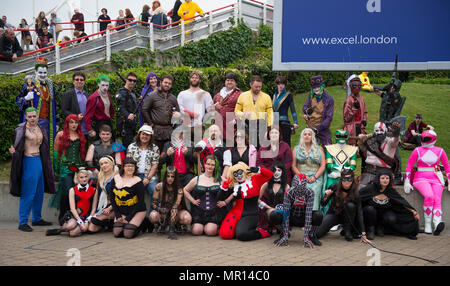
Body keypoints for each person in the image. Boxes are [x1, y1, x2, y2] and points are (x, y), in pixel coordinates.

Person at [10, 107, 55, 232]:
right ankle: (22, 222)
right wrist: (14, 151)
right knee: (28, 193)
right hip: (28, 161)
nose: (32, 118)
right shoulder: (21, 129)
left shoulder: (41, 128)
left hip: (39, 161)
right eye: (29, 116)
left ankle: (36, 218)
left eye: (34, 116)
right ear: (26, 117)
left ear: (37, 116)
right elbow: (16, 145)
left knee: (39, 192)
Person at [404, 130, 450, 235]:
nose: (424, 141)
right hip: (420, 178)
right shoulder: (417, 150)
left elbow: (447, 167)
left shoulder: (440, 151)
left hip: (437, 179)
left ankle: (437, 222)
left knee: (437, 199)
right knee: (429, 196)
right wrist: (407, 181)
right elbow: (409, 166)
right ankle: (428, 224)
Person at [16, 58, 58, 165]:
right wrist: (25, 98)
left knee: (46, 146)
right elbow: (18, 101)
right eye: (40, 72)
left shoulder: (50, 86)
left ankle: (47, 169)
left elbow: (54, 106)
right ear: (35, 72)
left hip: (48, 123)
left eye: (45, 72)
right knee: (34, 146)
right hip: (34, 122)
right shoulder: (29, 86)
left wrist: (56, 121)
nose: (43, 75)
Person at [359, 169, 419, 240]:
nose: (385, 180)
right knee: (370, 209)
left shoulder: (390, 190)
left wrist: (414, 211)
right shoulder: (370, 188)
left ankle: (380, 227)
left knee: (391, 218)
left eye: (387, 178)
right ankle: (370, 230)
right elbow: (357, 197)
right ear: (378, 179)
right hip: (370, 214)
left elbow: (401, 201)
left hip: (383, 214)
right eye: (383, 178)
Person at [219, 164, 273, 241]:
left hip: (250, 214)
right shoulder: (234, 184)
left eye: (240, 172)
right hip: (235, 213)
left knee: (242, 235)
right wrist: (223, 188)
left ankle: (261, 232)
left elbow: (270, 175)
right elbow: (220, 198)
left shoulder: (254, 179)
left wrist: (259, 170)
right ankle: (237, 229)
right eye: (235, 174)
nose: (239, 175)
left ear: (244, 171)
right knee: (225, 234)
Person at [49, 114, 87, 225]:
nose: (74, 125)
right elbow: (55, 153)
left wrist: (82, 168)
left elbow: (82, 153)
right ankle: (62, 216)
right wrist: (56, 169)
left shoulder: (81, 135)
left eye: (76, 122)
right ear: (67, 123)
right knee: (66, 192)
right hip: (65, 168)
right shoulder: (60, 135)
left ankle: (73, 216)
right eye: (71, 122)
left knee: (77, 193)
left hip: (78, 168)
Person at [269, 173, 323, 247]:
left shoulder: (310, 193)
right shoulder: (289, 193)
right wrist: (286, 234)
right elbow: (286, 214)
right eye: (297, 185)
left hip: (303, 217)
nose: (299, 188)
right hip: (292, 216)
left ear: (305, 184)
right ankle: (284, 234)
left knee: (318, 215)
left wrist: (306, 236)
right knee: (273, 215)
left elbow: (308, 214)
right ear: (294, 183)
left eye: (302, 185)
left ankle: (311, 235)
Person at [316, 168, 371, 242]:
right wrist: (326, 196)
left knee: (350, 205)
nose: (346, 182)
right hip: (334, 214)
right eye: (344, 179)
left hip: (349, 217)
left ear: (353, 180)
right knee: (317, 234)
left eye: (349, 179)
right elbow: (323, 204)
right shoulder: (334, 187)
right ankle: (326, 228)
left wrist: (363, 233)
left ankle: (347, 230)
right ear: (341, 179)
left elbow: (359, 212)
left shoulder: (356, 192)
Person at [46, 168, 98, 237]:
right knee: (70, 226)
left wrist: (87, 221)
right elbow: (72, 208)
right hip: (76, 215)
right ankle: (60, 229)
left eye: (86, 176)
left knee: (72, 233)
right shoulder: (72, 190)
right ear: (77, 178)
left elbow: (94, 208)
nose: (84, 179)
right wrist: (79, 221)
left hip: (87, 216)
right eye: (81, 177)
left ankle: (79, 228)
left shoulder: (94, 190)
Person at [183, 155, 227, 236]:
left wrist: (225, 202)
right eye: (208, 164)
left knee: (210, 231)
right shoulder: (197, 179)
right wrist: (193, 201)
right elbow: (185, 190)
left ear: (215, 166)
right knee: (196, 231)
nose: (210, 166)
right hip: (199, 212)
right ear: (204, 164)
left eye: (212, 165)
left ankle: (212, 227)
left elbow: (233, 190)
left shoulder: (220, 179)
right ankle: (202, 227)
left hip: (214, 212)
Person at [110, 157, 148, 238]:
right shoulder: (116, 178)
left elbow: (141, 201)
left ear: (135, 168)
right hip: (122, 211)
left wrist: (129, 218)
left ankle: (144, 223)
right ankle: (129, 224)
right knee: (117, 233)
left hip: (137, 211)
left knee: (128, 234)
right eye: (127, 166)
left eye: (132, 166)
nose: (130, 168)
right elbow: (112, 198)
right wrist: (117, 215)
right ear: (123, 167)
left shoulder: (137, 181)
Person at [150, 166, 192, 239]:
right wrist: (159, 209)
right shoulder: (159, 186)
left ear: (175, 177)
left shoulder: (179, 188)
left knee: (187, 218)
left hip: (176, 212)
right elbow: (153, 204)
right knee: (153, 216)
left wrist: (171, 231)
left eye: (172, 176)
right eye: (168, 176)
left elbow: (176, 205)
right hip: (163, 212)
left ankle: (173, 228)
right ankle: (161, 225)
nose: (170, 178)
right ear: (165, 176)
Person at [142, 74, 181, 153]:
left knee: (169, 157)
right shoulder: (152, 96)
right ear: (161, 82)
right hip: (156, 131)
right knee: (156, 156)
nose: (167, 85)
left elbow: (178, 112)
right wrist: (150, 123)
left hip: (169, 131)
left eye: (169, 83)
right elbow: (144, 109)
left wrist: (177, 115)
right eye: (165, 82)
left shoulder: (173, 98)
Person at [126, 125, 160, 211]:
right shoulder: (131, 147)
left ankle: (153, 215)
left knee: (154, 189)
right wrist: (132, 177)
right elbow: (128, 163)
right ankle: (129, 213)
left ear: (150, 136)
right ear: (139, 135)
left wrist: (148, 178)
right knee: (129, 190)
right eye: (143, 134)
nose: (145, 136)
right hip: (134, 175)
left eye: (147, 135)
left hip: (150, 175)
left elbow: (155, 165)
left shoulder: (155, 148)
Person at [291, 128, 326, 210]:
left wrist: (315, 177)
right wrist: (303, 177)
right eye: (305, 134)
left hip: (315, 178)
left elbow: (323, 165)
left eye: (309, 134)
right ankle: (299, 214)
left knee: (314, 191)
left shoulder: (319, 149)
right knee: (300, 190)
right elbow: (293, 166)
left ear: (312, 137)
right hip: (301, 176)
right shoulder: (296, 149)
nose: (307, 136)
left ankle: (313, 214)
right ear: (302, 136)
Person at [235, 75, 273, 148]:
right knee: (247, 146)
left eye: (260, 87)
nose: (258, 89)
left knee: (261, 147)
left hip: (261, 124)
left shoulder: (266, 97)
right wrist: (242, 114)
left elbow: (270, 113)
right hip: (247, 124)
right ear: (250, 84)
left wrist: (269, 127)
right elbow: (236, 111)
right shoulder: (242, 95)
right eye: (256, 87)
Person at [177, 71, 214, 144]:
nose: (194, 79)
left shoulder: (205, 94)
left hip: (199, 127)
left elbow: (210, 111)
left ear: (200, 80)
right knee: (185, 148)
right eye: (192, 77)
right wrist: (191, 114)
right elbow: (179, 108)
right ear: (190, 79)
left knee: (199, 148)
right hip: (185, 126)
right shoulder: (182, 94)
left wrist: (204, 123)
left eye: (196, 78)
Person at [87, 155, 119, 233]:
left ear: (112, 164)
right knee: (91, 229)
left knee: (94, 220)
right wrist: (93, 211)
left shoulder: (117, 178)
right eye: (101, 164)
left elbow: (119, 197)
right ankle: (107, 223)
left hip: (115, 206)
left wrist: (109, 208)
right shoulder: (100, 177)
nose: (104, 165)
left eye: (106, 163)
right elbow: (97, 195)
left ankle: (110, 219)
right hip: (102, 206)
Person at [302, 75, 334, 146]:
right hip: (310, 127)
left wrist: (319, 128)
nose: (316, 89)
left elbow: (329, 117)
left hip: (323, 128)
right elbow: (305, 106)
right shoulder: (311, 95)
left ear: (322, 86)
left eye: (317, 87)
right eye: (314, 88)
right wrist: (307, 111)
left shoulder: (329, 99)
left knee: (328, 148)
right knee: (308, 149)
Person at [258, 162, 289, 234]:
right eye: (274, 170)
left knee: (277, 214)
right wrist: (267, 207)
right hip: (269, 210)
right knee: (272, 213)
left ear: (282, 172)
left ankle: (280, 227)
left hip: (281, 210)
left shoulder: (286, 186)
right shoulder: (266, 184)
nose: (276, 172)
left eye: (279, 170)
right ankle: (271, 226)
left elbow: (289, 201)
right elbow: (257, 199)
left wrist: (283, 208)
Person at [213, 72, 242, 143]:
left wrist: (235, 120)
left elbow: (244, 110)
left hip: (231, 126)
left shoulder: (240, 94)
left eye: (232, 80)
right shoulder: (218, 94)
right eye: (227, 80)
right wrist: (214, 106)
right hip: (218, 126)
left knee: (230, 148)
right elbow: (210, 108)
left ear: (236, 83)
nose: (229, 82)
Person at [84, 74, 114, 139]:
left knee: (111, 144)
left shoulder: (107, 94)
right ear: (98, 84)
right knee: (101, 146)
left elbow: (110, 109)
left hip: (108, 122)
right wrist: (90, 130)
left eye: (107, 85)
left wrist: (111, 117)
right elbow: (88, 116)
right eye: (103, 85)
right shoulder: (93, 98)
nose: (105, 87)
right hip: (100, 124)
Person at [272, 76, 298, 147]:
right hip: (275, 123)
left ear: (285, 85)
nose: (281, 86)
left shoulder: (288, 95)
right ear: (277, 84)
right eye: (279, 84)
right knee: (275, 143)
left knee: (286, 144)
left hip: (285, 123)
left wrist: (295, 122)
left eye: (283, 84)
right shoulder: (274, 95)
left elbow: (292, 108)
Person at [61, 72, 89, 136]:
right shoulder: (68, 94)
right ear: (73, 82)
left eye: (81, 80)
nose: (79, 81)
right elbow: (64, 110)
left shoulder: (87, 95)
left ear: (84, 82)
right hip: (73, 129)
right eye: (77, 79)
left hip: (86, 129)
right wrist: (75, 117)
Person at [116, 72, 138, 149]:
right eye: (130, 80)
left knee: (132, 144)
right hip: (124, 124)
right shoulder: (121, 92)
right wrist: (127, 115)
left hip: (132, 123)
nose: (132, 82)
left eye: (134, 81)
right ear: (126, 80)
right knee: (128, 146)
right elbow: (120, 107)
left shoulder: (132, 93)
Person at [343, 75, 367, 146]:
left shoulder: (361, 99)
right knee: (352, 148)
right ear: (351, 86)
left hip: (360, 127)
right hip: (351, 129)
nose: (357, 87)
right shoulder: (349, 100)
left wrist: (364, 120)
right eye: (354, 85)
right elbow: (346, 118)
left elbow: (364, 111)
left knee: (362, 147)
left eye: (359, 85)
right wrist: (354, 109)